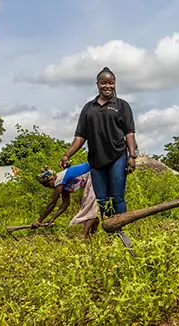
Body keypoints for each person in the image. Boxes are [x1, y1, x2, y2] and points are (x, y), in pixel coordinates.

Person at [60, 67, 137, 247]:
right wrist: (67, 154)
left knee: (117, 197)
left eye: (111, 82)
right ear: (98, 84)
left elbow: (130, 133)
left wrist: (132, 156)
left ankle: (123, 232)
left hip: (118, 156)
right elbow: (80, 137)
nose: (107, 86)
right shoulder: (89, 108)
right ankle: (111, 233)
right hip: (96, 161)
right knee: (102, 200)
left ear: (115, 84)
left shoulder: (122, 106)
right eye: (104, 82)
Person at [32, 162, 99, 238]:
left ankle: (84, 236)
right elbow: (65, 203)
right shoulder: (63, 184)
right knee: (88, 207)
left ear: (52, 179)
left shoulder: (59, 181)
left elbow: (52, 203)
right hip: (92, 177)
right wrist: (52, 218)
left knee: (89, 206)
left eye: (48, 185)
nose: (49, 187)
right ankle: (93, 234)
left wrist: (38, 221)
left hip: (94, 172)